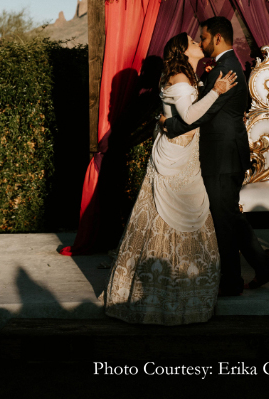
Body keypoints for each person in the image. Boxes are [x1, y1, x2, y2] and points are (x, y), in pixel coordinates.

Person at [101, 32, 237, 325]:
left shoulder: (181, 76)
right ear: (182, 51)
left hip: (180, 153)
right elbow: (188, 116)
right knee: (176, 217)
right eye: (193, 43)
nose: (200, 44)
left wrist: (205, 83)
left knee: (183, 215)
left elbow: (179, 106)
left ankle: (174, 290)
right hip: (177, 157)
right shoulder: (179, 78)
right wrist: (218, 91)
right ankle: (173, 295)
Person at [161, 17, 269, 296]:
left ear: (216, 38)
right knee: (228, 216)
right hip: (226, 153)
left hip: (222, 156)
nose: (200, 43)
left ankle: (232, 282)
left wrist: (168, 126)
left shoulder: (223, 71)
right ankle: (262, 267)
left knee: (224, 219)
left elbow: (203, 113)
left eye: (202, 38)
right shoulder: (226, 67)